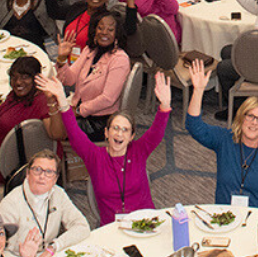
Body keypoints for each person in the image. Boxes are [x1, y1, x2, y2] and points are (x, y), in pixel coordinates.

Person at [45, 68, 169, 225]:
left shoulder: (139, 151)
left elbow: (156, 133)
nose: (119, 134)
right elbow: (75, 133)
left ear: (131, 137)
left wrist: (165, 105)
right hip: (113, 228)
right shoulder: (95, 157)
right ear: (106, 133)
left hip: (146, 222)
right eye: (115, 128)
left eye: (125, 130)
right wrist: (62, 101)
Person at [185, 59, 258, 211]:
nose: (254, 123)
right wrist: (198, 90)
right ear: (241, 117)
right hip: (227, 216)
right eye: (250, 116)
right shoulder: (225, 139)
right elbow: (194, 126)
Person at [0, 56, 62, 186]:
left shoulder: (42, 102)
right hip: (5, 152)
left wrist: (51, 101)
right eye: (14, 77)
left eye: (24, 77)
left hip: (11, 166)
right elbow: (0, 124)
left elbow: (57, 134)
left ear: (36, 78)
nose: (18, 83)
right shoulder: (15, 96)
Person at [0, 150, 90, 257]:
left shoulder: (58, 194)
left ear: (55, 179)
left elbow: (82, 227)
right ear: (27, 174)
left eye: (49, 172)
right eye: (37, 170)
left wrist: (52, 248)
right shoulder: (9, 205)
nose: (42, 176)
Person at [56, 9, 132, 140]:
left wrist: (79, 111)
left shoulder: (120, 59)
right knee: (48, 119)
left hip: (99, 121)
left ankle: (65, 158)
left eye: (110, 29)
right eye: (100, 28)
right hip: (78, 108)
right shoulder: (90, 50)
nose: (104, 32)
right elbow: (69, 80)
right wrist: (62, 59)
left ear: (117, 33)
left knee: (55, 130)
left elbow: (108, 98)